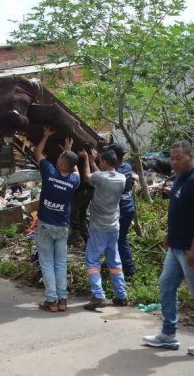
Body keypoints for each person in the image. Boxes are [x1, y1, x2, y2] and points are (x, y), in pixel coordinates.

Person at [143, 140, 194, 357]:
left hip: (193, 250)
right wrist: (170, 234)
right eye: (172, 158)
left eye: (179, 158)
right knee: (166, 284)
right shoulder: (180, 178)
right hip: (176, 248)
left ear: (191, 156)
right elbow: (178, 210)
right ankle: (168, 334)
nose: (174, 162)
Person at [34, 127, 80, 313]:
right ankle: (62, 300)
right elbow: (74, 169)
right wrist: (69, 152)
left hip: (46, 226)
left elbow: (37, 152)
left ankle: (51, 301)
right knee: (61, 263)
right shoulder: (73, 182)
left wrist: (45, 136)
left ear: (60, 161)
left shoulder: (49, 173)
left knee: (46, 262)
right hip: (62, 227)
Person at [78, 148, 127, 310]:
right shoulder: (121, 178)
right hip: (114, 227)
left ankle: (98, 295)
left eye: (100, 161)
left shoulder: (100, 177)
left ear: (105, 162)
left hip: (98, 227)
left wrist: (86, 159)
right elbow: (101, 177)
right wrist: (94, 161)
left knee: (92, 260)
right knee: (114, 261)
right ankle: (121, 295)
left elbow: (87, 177)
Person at [106, 143, 137, 278]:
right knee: (119, 238)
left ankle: (129, 270)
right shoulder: (128, 167)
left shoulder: (114, 172)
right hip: (129, 207)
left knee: (119, 239)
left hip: (120, 210)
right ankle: (111, 263)